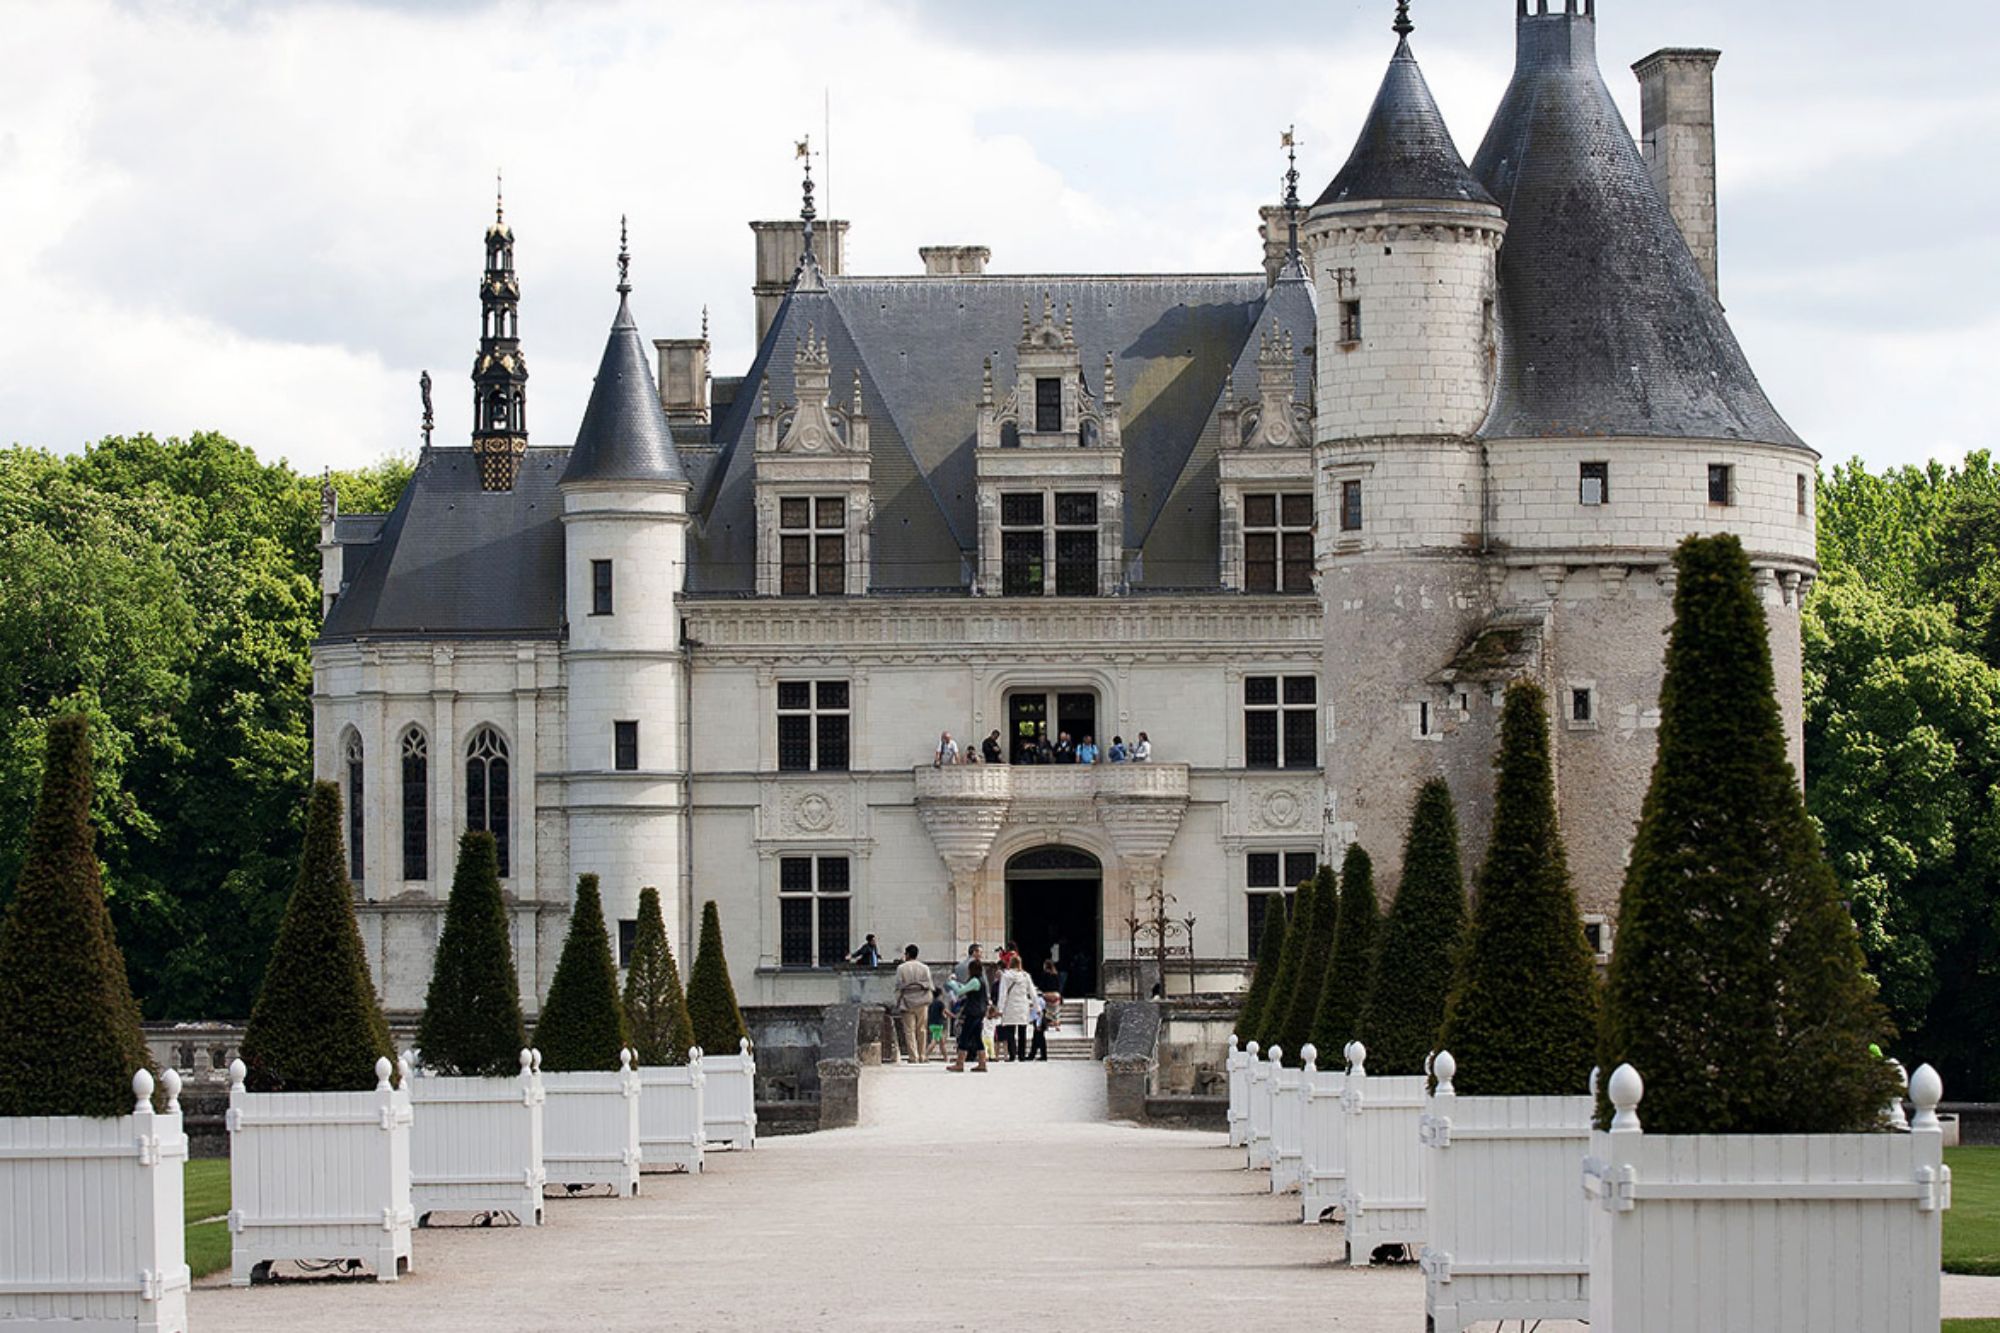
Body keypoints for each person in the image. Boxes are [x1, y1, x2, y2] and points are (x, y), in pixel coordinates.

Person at [946, 945, 989, 1072]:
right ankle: (982, 1063)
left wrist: (951, 983)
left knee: (964, 1036)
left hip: (972, 1011)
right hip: (980, 1011)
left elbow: (961, 991)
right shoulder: (980, 980)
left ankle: (960, 1063)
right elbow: (966, 987)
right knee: (977, 1037)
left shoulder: (975, 980)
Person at [893, 945, 931, 1064]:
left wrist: (897, 1001)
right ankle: (922, 1055)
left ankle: (913, 1056)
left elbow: (898, 985)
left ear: (907, 954)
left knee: (909, 1030)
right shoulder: (924, 968)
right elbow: (929, 984)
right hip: (922, 1001)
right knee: (922, 1029)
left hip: (907, 1000)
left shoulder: (901, 968)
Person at [995, 953, 1034, 1062]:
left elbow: (1002, 993)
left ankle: (1012, 1054)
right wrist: (1037, 1007)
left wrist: (1000, 1008)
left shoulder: (1006, 976)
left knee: (1010, 1031)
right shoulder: (1025, 976)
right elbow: (1032, 992)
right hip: (1023, 1005)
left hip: (1010, 1005)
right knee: (1022, 1031)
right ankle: (1022, 1055)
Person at [925, 988, 947, 1062]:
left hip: (931, 1024)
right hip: (938, 1024)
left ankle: (946, 1058)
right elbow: (943, 1013)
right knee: (934, 1041)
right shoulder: (941, 1003)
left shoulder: (930, 1003)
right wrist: (946, 1017)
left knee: (942, 1042)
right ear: (940, 995)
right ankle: (925, 1055)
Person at [1028, 989, 1049, 1061]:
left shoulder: (1038, 1001)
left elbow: (1039, 1013)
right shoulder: (1042, 1001)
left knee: (1040, 1040)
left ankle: (1041, 1056)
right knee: (1036, 1039)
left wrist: (1038, 1024)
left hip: (1038, 1022)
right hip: (1039, 1021)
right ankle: (1033, 1055)